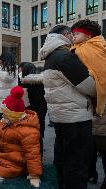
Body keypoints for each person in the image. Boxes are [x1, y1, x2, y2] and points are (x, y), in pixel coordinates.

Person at [39, 25, 96, 189]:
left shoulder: (51, 57)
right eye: (72, 34)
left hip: (61, 116)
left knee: (63, 158)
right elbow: (90, 87)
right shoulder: (64, 56)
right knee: (77, 164)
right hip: (76, 118)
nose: (73, 38)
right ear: (65, 34)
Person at [71, 19, 106, 189]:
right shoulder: (100, 45)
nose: (73, 36)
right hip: (99, 104)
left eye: (77, 33)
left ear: (89, 34)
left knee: (100, 144)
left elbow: (97, 77)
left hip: (100, 105)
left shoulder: (86, 49)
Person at [18, 62, 47, 155]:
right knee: (39, 136)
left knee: (27, 137)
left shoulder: (23, 84)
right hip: (40, 112)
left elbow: (23, 101)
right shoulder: (42, 82)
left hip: (28, 114)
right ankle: (39, 157)